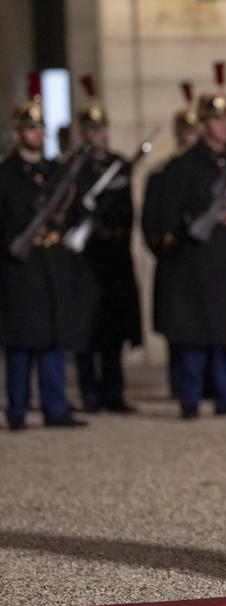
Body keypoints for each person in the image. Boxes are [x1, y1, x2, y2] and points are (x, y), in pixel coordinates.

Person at [157, 63, 226, 419]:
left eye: (225, 118)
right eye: (215, 119)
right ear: (203, 124)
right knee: (195, 333)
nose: (222, 125)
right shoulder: (184, 166)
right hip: (198, 260)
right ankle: (189, 398)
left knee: (224, 332)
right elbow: (170, 214)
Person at [0, 74, 92, 430]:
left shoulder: (56, 171)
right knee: (22, 341)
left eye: (40, 128)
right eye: (30, 128)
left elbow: (77, 209)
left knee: (54, 337)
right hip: (20, 266)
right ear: (17, 132)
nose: (37, 134)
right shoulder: (6, 174)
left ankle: (56, 407)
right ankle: (18, 409)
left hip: (53, 262)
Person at [72, 75, 142, 413]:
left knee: (113, 327)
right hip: (88, 256)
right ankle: (88, 392)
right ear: (84, 132)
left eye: (103, 128)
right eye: (94, 129)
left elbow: (129, 212)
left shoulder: (117, 165)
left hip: (114, 254)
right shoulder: (75, 167)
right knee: (87, 328)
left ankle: (113, 391)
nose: (101, 135)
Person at [142, 81, 201, 399]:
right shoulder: (162, 173)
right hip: (175, 258)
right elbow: (150, 222)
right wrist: (163, 245)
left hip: (201, 259)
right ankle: (180, 385)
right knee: (177, 326)